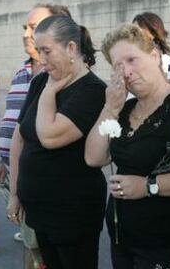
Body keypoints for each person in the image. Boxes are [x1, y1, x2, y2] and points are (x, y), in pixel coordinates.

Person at [85, 23, 170, 268]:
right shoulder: (124, 110)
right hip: (122, 240)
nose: (126, 71)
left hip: (163, 243)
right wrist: (110, 108)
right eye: (117, 66)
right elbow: (94, 158)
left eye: (132, 60)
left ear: (154, 57)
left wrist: (148, 186)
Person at [7, 15, 107, 269]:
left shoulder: (92, 90)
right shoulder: (41, 80)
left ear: (71, 48)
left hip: (71, 213)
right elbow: (20, 138)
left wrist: (50, 93)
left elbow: (49, 137)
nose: (41, 59)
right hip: (38, 208)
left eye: (47, 51)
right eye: (38, 50)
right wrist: (15, 193)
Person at [0, 3, 72, 269]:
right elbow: (15, 128)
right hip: (18, 176)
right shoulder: (22, 72)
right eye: (25, 27)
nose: (27, 33)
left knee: (44, 255)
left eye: (34, 27)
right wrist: (4, 161)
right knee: (31, 247)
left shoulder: (66, 81)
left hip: (43, 188)